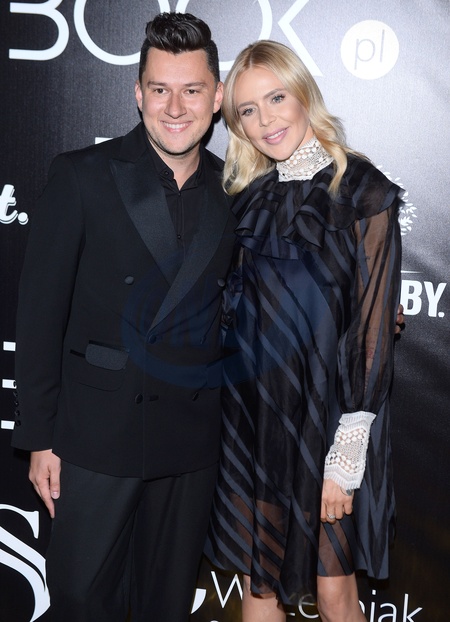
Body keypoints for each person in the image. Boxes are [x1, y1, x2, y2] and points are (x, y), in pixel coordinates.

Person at [11, 12, 236, 622]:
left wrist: (363, 305)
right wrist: (39, 439)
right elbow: (38, 317)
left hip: (189, 443)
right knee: (81, 604)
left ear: (217, 97)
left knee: (165, 606)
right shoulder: (83, 175)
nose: (175, 107)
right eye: (160, 89)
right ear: (138, 93)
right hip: (94, 440)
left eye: (192, 90)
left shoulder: (236, 192)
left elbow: (268, 295)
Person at [205, 40, 402, 622]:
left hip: (331, 420)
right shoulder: (248, 199)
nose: (265, 120)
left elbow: (372, 328)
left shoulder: (362, 190)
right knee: (258, 586)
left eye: (275, 98)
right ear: (237, 125)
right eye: (247, 110)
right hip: (254, 420)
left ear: (303, 95)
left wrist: (348, 450)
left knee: (334, 591)